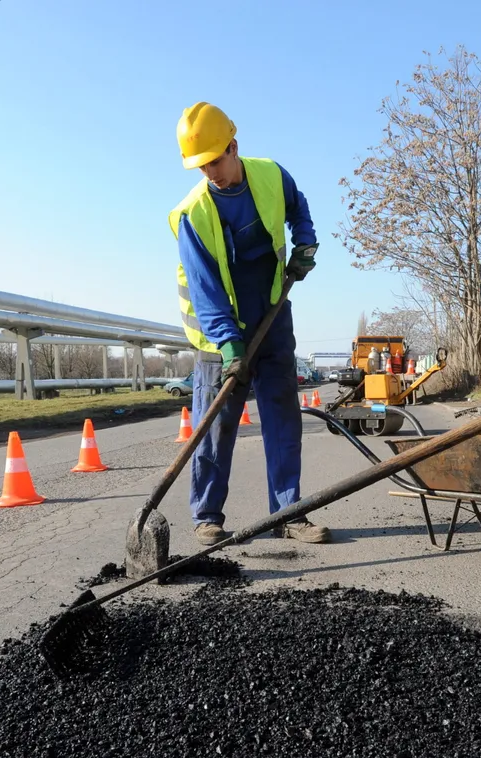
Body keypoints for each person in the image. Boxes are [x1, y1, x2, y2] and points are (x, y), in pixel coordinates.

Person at [171, 102, 330, 546]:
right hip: (217, 335)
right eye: (201, 166)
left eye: (216, 161)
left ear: (234, 146)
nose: (210, 173)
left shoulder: (271, 176)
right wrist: (229, 347)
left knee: (283, 416)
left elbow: (298, 210)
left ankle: (289, 513)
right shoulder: (192, 214)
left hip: (272, 316)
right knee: (217, 423)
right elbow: (206, 291)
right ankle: (206, 515)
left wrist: (306, 245)